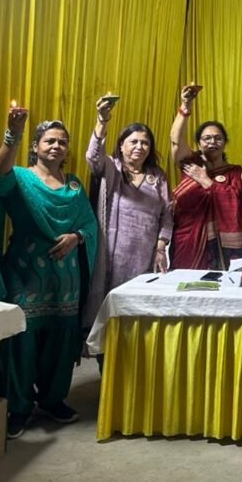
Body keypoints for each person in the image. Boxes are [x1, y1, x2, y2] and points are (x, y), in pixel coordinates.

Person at [0, 106, 97, 439]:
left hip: (65, 278)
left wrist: (76, 237)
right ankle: (18, 407)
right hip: (25, 273)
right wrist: (11, 135)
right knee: (21, 339)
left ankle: (53, 400)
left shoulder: (73, 184)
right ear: (36, 145)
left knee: (60, 339)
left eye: (62, 142)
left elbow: (89, 223)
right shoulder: (20, 177)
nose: (56, 146)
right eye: (49, 140)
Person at [82, 95, 173, 334]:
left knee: (136, 307)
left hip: (144, 254)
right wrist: (102, 121)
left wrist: (161, 247)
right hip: (111, 252)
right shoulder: (111, 167)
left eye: (145, 143)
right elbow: (92, 157)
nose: (139, 147)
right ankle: (104, 353)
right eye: (133, 141)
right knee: (108, 306)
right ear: (121, 145)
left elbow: (167, 214)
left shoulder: (157, 176)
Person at [169, 84, 242, 269]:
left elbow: (234, 200)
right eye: (207, 138)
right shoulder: (191, 163)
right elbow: (176, 142)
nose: (213, 142)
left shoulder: (234, 172)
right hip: (188, 238)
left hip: (225, 245)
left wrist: (206, 181)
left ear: (225, 143)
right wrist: (185, 106)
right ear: (199, 143)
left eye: (218, 138)